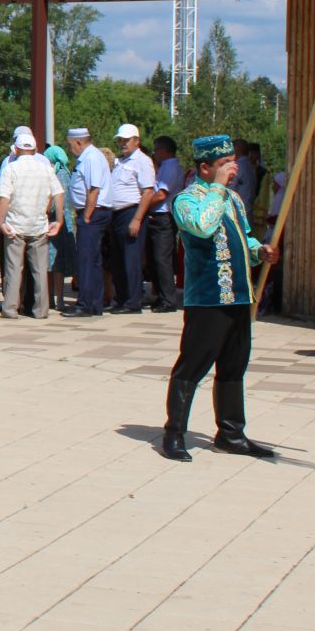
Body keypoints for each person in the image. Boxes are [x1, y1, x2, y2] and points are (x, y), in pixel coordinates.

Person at [161, 134, 280, 462]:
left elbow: (245, 238)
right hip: (208, 300)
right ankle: (174, 433)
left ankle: (231, 433)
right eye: (224, 164)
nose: (233, 168)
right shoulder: (186, 200)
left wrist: (260, 252)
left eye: (232, 162)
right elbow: (202, 226)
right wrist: (216, 188)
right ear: (205, 167)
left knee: (233, 366)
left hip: (239, 297)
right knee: (192, 366)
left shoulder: (234, 200)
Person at [0, 129, 63, 319]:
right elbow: (58, 193)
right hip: (39, 224)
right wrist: (59, 220)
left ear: (15, 149)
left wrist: (0, 220)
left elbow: (4, 197)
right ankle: (41, 310)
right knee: (39, 270)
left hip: (15, 225)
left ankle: (10, 309)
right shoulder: (46, 168)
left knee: (14, 269)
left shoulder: (10, 168)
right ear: (36, 148)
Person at [105, 124, 157, 314]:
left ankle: (132, 302)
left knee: (130, 259)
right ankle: (121, 298)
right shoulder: (122, 162)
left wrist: (137, 219)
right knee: (118, 260)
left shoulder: (142, 161)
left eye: (126, 140)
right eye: (120, 140)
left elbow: (148, 191)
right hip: (117, 214)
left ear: (137, 141)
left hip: (131, 212)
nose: (122, 143)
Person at [63, 128, 112, 317]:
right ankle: (94, 303)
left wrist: (87, 216)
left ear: (78, 142)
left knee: (86, 260)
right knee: (93, 261)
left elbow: (94, 189)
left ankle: (85, 304)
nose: (70, 149)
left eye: (70, 145)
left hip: (93, 213)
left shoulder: (90, 158)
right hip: (94, 212)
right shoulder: (90, 157)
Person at [144, 136, 184, 313]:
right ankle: (161, 296)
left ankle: (168, 299)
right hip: (159, 215)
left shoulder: (169, 166)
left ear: (164, 150)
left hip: (163, 216)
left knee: (162, 258)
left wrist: (143, 205)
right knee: (156, 258)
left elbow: (161, 194)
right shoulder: (166, 166)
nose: (155, 154)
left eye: (156, 150)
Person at [44, 144, 76, 310]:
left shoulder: (60, 173)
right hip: (60, 222)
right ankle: (52, 299)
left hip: (57, 223)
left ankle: (58, 299)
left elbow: (59, 200)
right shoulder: (64, 172)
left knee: (56, 265)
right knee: (52, 265)